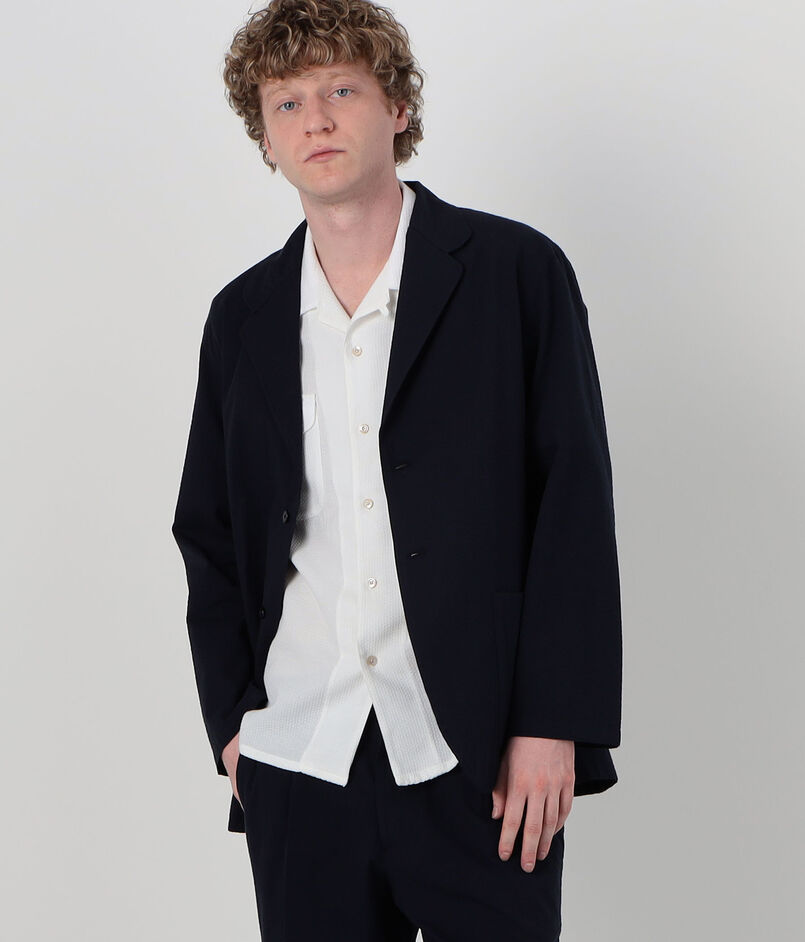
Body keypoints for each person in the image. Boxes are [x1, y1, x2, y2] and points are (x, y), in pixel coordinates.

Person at [171, 1, 622, 939]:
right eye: (286, 103)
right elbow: (208, 531)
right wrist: (234, 730)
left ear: (398, 108)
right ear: (266, 138)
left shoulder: (514, 273)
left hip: (482, 757)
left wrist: (551, 723)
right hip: (301, 755)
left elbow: (571, 506)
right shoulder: (241, 317)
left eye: (341, 90)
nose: (316, 120)